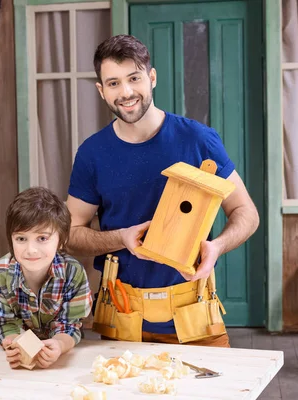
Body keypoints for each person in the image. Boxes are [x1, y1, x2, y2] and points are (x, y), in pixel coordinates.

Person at [66, 34, 259, 347]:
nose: (126, 92)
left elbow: (245, 212)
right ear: (102, 90)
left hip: (196, 316)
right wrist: (120, 238)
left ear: (151, 78)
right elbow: (71, 232)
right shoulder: (92, 154)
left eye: (134, 78)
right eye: (113, 83)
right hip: (122, 319)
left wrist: (218, 246)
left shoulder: (198, 139)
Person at [0, 187, 93, 368]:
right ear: (11, 239)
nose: (31, 249)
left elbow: (70, 326)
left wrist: (58, 345)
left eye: (42, 238)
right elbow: (5, 324)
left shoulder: (73, 273)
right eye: (21, 239)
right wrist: (15, 346)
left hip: (61, 363)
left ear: (62, 241)